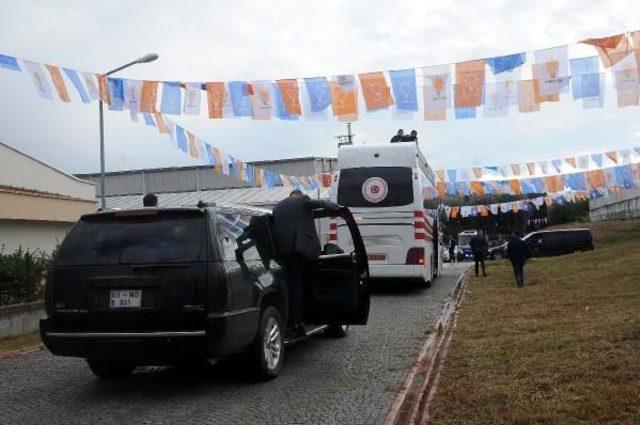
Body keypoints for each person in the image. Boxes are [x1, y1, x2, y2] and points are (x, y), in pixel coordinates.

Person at [271, 189, 340, 336]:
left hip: (282, 252)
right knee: (304, 285)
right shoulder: (302, 201)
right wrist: (335, 207)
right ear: (300, 196)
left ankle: (292, 320)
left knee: (292, 286)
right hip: (301, 251)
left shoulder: (277, 207)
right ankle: (298, 321)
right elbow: (318, 203)